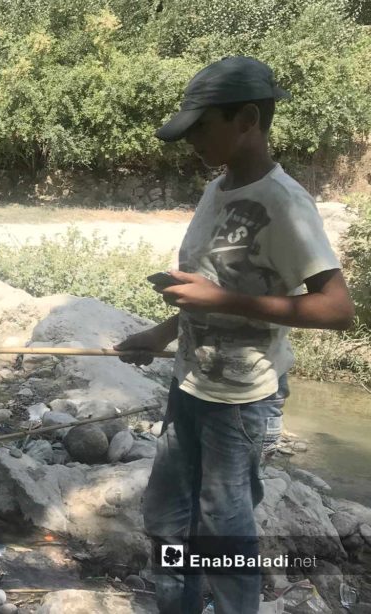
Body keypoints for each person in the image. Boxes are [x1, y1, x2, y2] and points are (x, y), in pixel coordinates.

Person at [114, 56, 356, 614]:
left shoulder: (284, 203)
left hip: (242, 403)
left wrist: (221, 299)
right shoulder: (216, 188)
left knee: (224, 535)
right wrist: (159, 333)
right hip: (191, 386)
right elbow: (209, 289)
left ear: (247, 118)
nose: (192, 140)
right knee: (168, 523)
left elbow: (337, 308)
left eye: (203, 126)